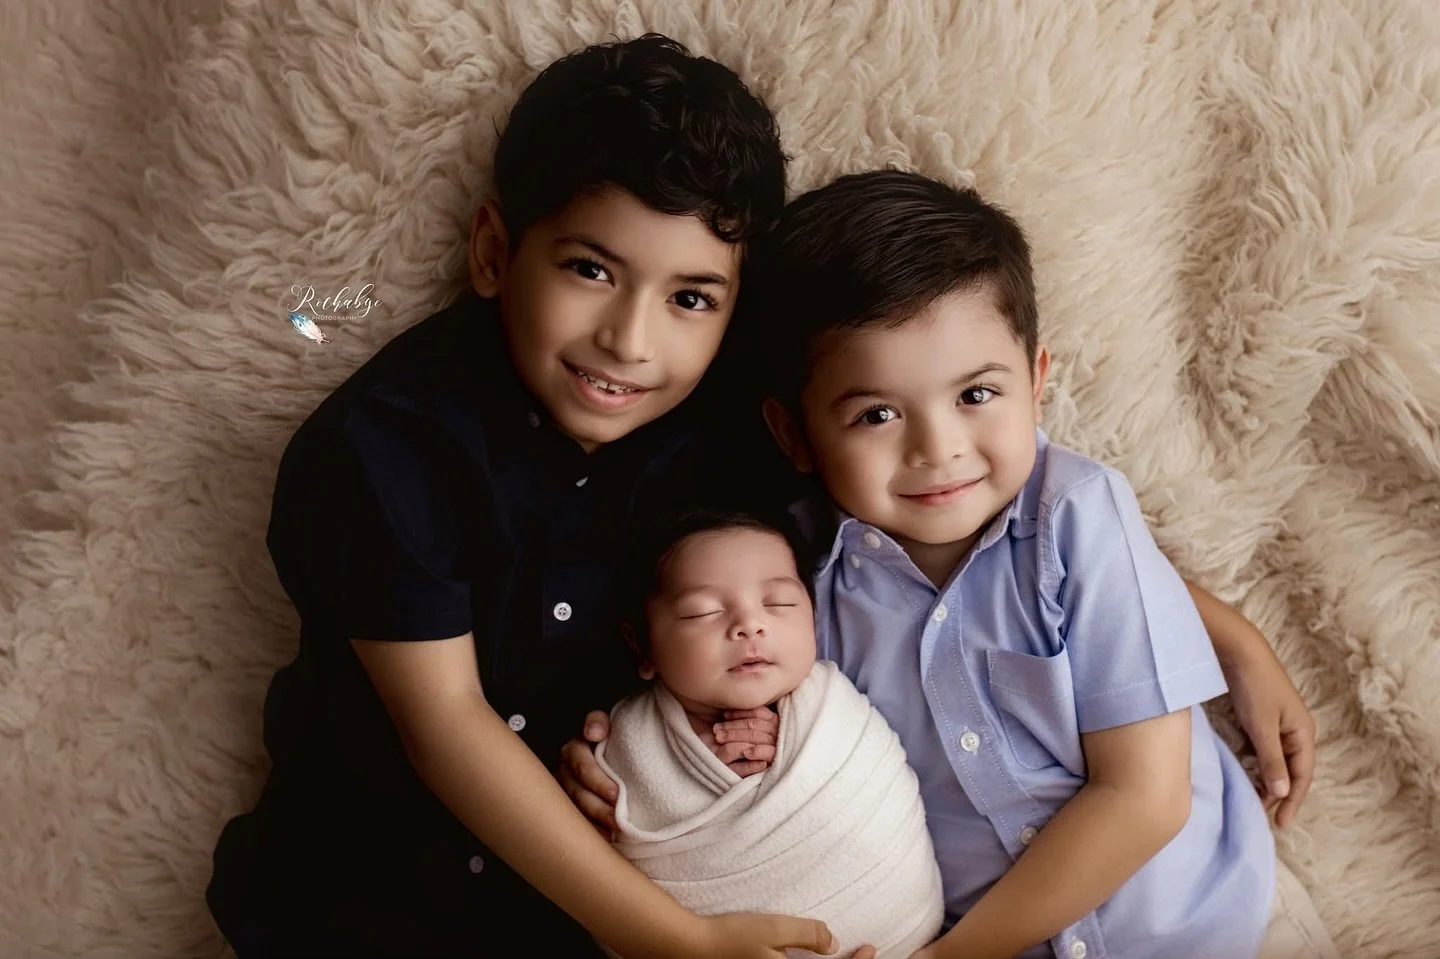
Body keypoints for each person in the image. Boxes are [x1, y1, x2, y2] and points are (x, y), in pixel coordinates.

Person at [561, 170, 1331, 959]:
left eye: (976, 395)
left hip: (1211, 920)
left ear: (1036, 381)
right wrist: (642, 757)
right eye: (877, 414)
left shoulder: (1076, 515)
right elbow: (744, 687)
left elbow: (1146, 798)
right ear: (795, 435)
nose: (937, 448)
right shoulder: (801, 579)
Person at [205, 34, 841, 959]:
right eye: (591, 270)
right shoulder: (389, 444)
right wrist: (677, 940)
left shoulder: (723, 446)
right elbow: (445, 722)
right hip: (359, 910)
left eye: (691, 298)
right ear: (495, 252)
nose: (629, 340)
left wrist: (657, 739)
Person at [595, 509, 945, 958]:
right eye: (703, 611)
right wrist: (696, 770)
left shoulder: (833, 710)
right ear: (642, 646)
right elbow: (611, 875)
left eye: (778, 603)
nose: (749, 624)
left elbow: (874, 797)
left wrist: (791, 747)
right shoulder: (627, 743)